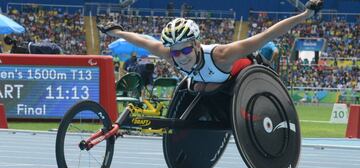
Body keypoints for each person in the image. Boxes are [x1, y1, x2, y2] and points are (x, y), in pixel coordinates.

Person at [98, 0, 323, 93]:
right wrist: (117, 32)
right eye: (176, 51)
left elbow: (267, 34)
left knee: (255, 51)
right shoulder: (172, 55)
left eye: (186, 49)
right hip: (207, 86)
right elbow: (144, 41)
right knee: (195, 88)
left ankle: (263, 60)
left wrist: (305, 15)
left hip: (237, 73)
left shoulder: (221, 55)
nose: (181, 56)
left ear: (196, 44)